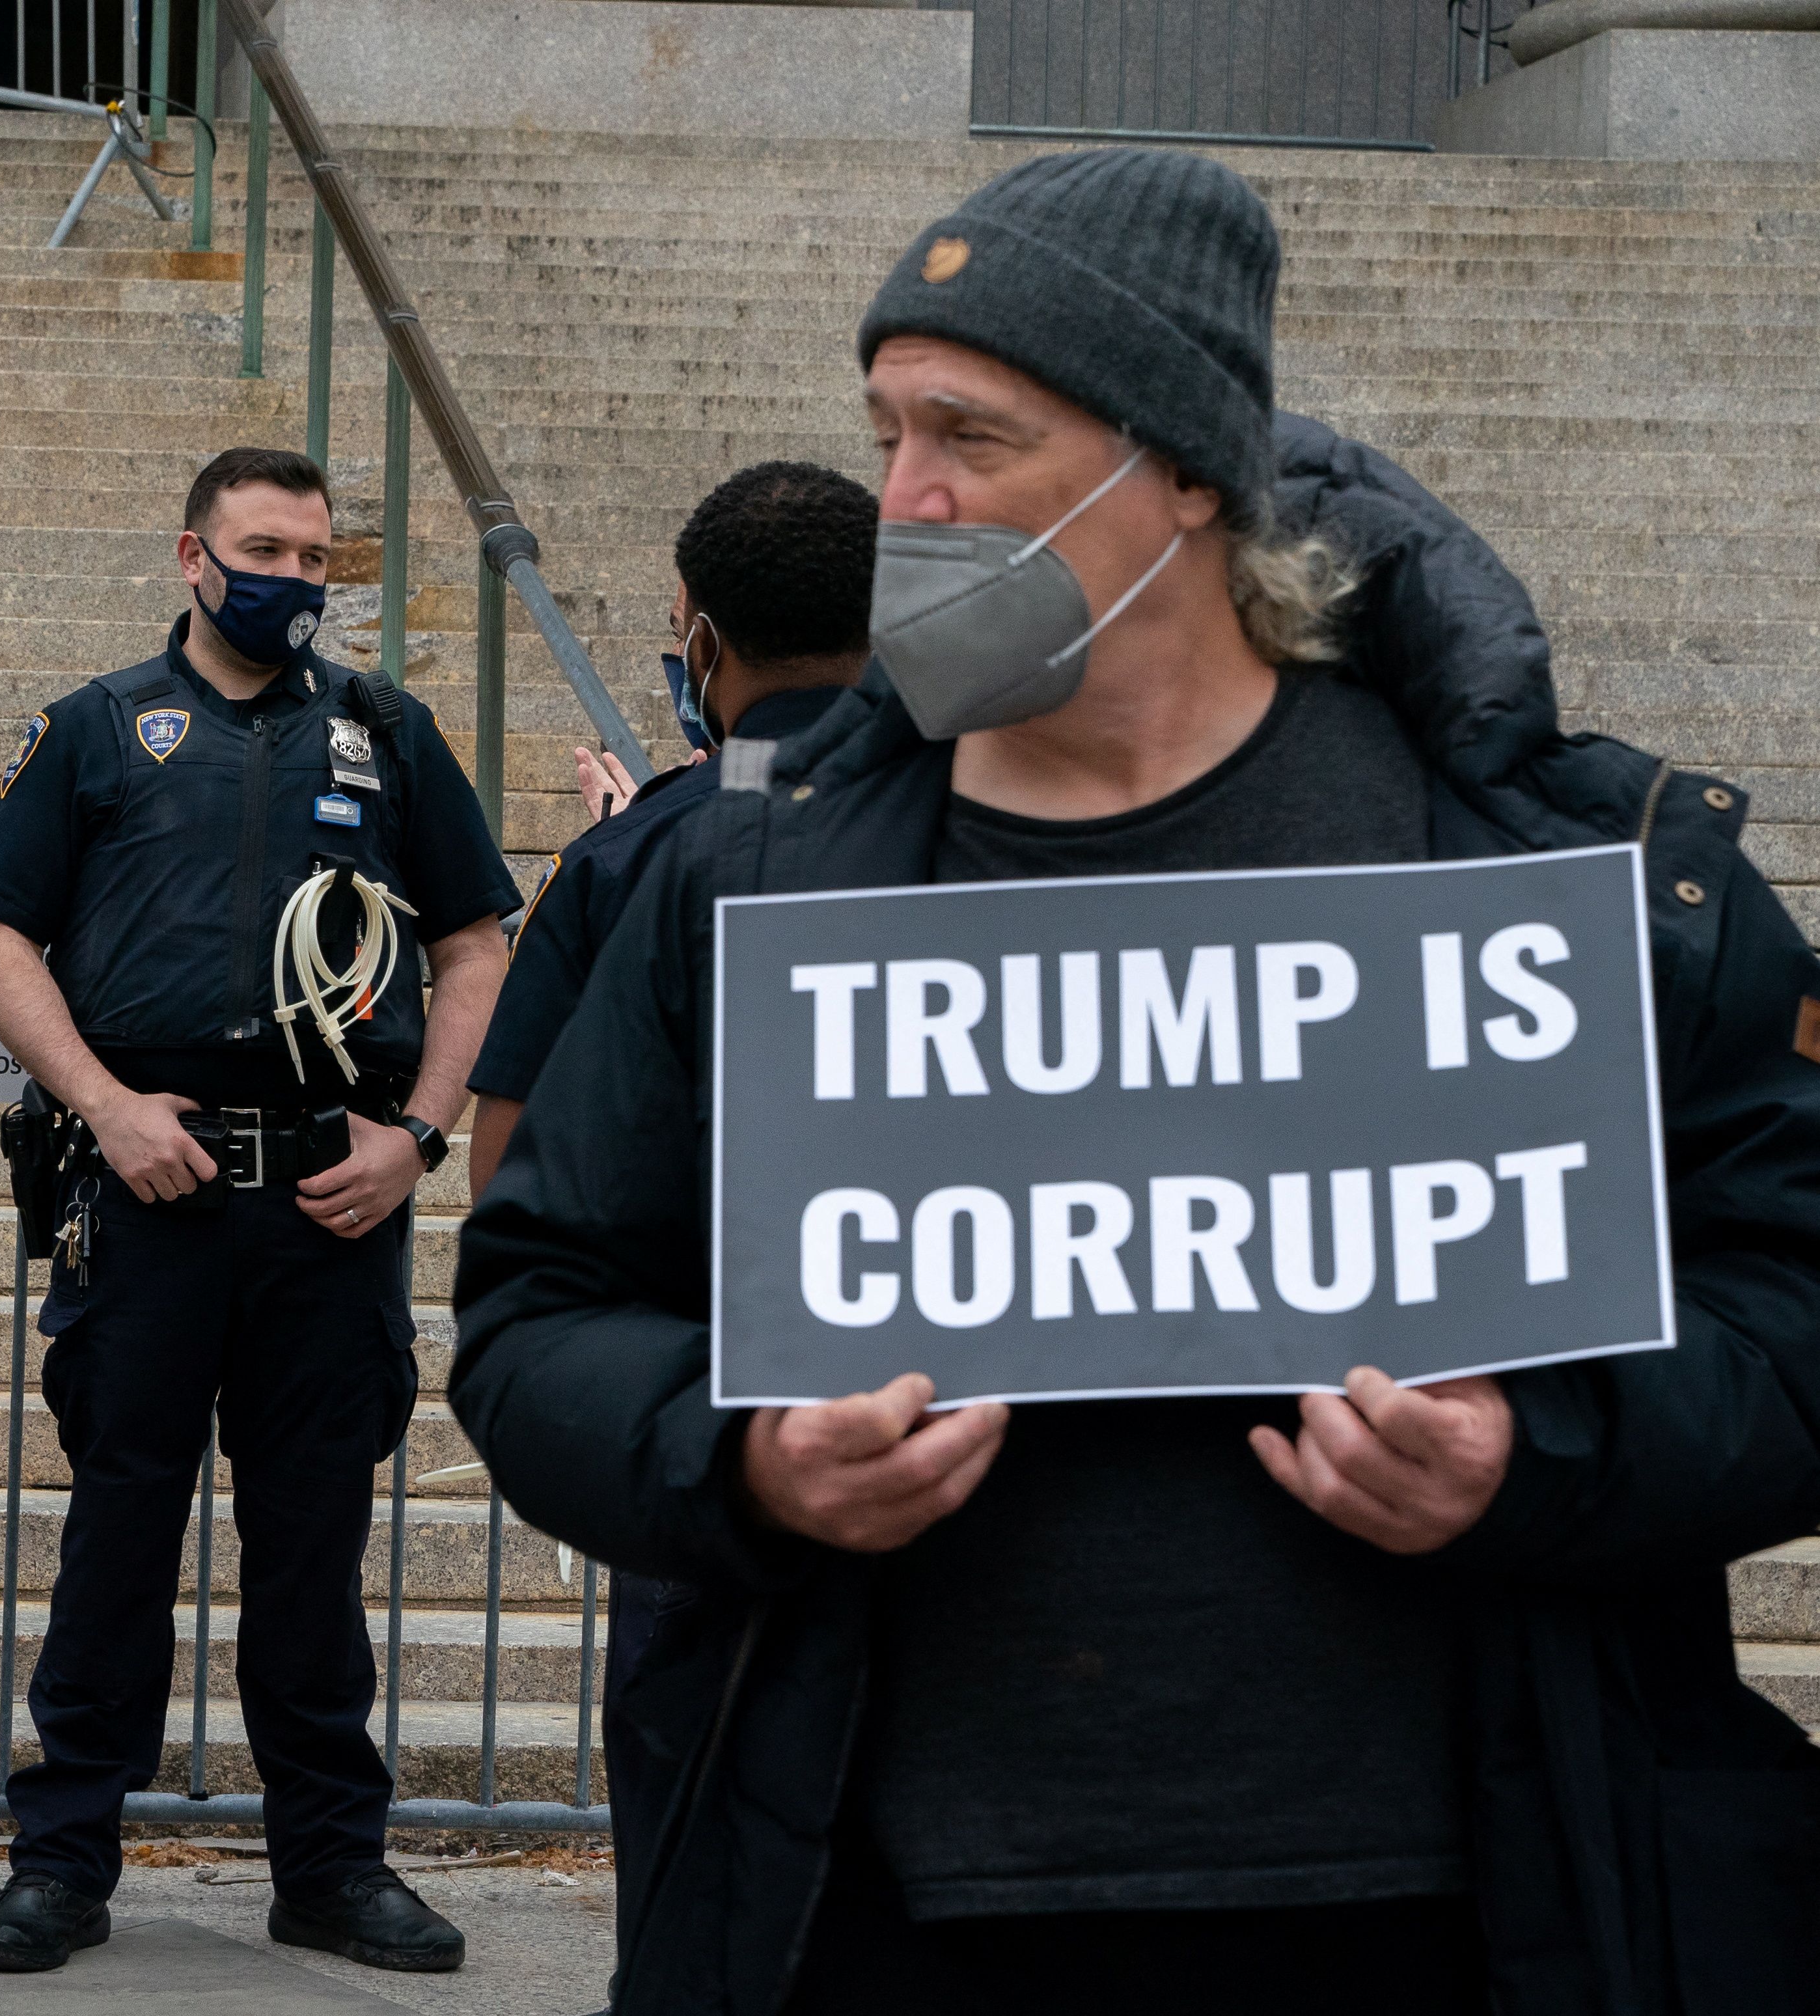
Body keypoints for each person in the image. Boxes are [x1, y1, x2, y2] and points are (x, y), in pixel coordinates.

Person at [449, 148, 1820, 2016]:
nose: (902, 503)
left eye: (971, 438)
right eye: (886, 434)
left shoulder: (1563, 873)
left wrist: (1539, 1450)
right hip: (877, 1924)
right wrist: (741, 1457)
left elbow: (1786, 1303)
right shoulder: (757, 880)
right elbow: (537, 1314)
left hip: (1457, 1916)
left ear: (1183, 467)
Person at [0, 445, 519, 1975]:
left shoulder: (385, 733)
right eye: (263, 549)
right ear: (191, 557)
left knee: (313, 1552)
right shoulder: (94, 728)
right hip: (150, 1192)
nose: (293, 578)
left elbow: (475, 943)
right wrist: (104, 1104)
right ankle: (60, 1864)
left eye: (316, 557)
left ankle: (331, 1867)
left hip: (331, 1203)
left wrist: (418, 1137)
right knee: (118, 1539)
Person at [458, 460, 870, 2014]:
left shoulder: (640, 855)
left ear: (696, 641)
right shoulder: (1016, 832)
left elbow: (513, 1171)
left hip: (718, 1425)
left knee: (700, 1848)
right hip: (975, 1435)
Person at [465, 461, 874, 1197]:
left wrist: (649, 839)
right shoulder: (994, 821)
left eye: (679, 633)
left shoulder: (614, 865)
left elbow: (508, 1169)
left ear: (705, 650)